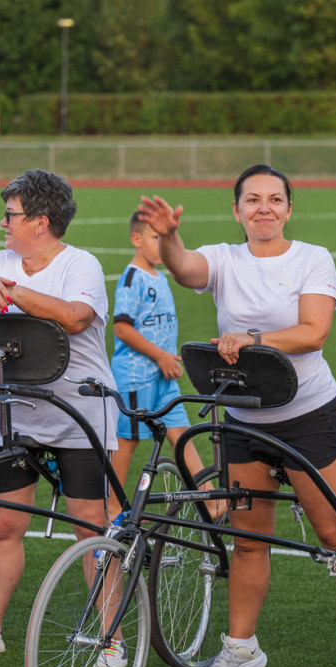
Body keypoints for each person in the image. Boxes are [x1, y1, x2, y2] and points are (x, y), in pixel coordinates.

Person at [137, 164, 336, 667]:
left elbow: (314, 332)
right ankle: (241, 648)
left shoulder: (312, 258)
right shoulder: (223, 258)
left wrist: (252, 340)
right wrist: (169, 238)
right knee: (249, 540)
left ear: (288, 208)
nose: (264, 208)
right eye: (252, 199)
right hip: (243, 418)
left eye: (275, 199)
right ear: (237, 210)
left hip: (309, 415)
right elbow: (186, 269)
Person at [0, 169, 124, 667]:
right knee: (4, 524)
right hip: (15, 413)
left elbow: (74, 318)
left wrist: (12, 292)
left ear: (41, 221)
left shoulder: (80, 264)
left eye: (11, 214)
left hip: (80, 415)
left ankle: (111, 637)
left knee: (90, 526)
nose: (3, 222)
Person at [109, 212, 216, 521]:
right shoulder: (132, 279)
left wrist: (166, 360)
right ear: (136, 239)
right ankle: (111, 506)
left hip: (162, 375)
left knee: (180, 434)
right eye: (155, 238)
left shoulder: (160, 275)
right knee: (127, 440)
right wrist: (160, 355)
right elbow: (123, 329)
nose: (161, 245)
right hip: (136, 377)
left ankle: (210, 501)